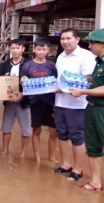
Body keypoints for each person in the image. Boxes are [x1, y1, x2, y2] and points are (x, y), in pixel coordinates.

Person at [53, 28, 95, 181]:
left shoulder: (86, 56)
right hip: (60, 102)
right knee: (62, 134)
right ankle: (66, 164)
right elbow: (59, 77)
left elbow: (89, 77)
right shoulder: (61, 57)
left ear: (77, 40)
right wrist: (58, 88)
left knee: (77, 136)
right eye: (62, 39)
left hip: (78, 104)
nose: (65, 41)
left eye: (68, 38)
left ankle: (78, 169)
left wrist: (69, 85)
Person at [70, 29, 104, 190]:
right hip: (91, 108)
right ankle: (96, 181)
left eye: (92, 43)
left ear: (102, 44)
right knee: (93, 147)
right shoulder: (98, 61)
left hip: (102, 110)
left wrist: (82, 91)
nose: (89, 45)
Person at [20, 37, 58, 163]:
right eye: (39, 49)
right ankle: (37, 158)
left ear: (48, 50)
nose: (41, 52)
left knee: (54, 132)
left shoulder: (52, 66)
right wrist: (23, 80)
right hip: (34, 102)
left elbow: (57, 83)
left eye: (44, 49)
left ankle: (51, 157)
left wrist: (56, 104)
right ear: (34, 49)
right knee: (36, 130)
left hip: (50, 102)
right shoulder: (28, 65)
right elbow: (22, 80)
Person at [0, 38, 32, 157]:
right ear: (9, 49)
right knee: (6, 127)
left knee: (26, 129)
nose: (15, 50)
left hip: (24, 101)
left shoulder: (28, 64)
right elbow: (1, 81)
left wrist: (24, 93)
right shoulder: (5, 64)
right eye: (12, 48)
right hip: (9, 101)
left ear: (23, 49)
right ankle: (5, 150)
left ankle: (23, 153)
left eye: (17, 48)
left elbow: (31, 83)